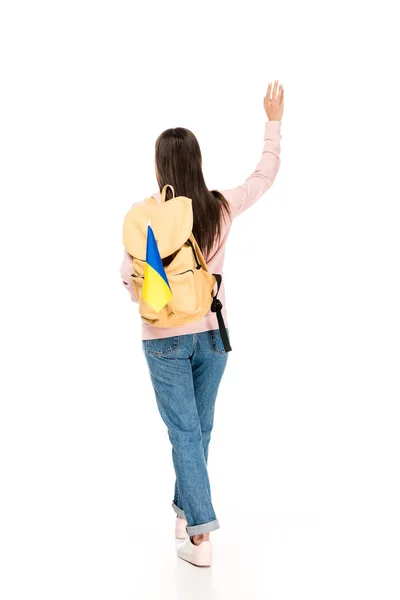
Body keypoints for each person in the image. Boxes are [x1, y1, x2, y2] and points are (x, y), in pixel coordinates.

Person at [120, 80, 284, 567]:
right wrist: (273, 122)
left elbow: (128, 280)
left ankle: (199, 536)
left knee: (186, 433)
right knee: (199, 429)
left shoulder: (146, 217)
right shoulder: (219, 206)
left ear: (159, 165)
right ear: (196, 161)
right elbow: (264, 175)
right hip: (213, 337)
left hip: (164, 341)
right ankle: (185, 508)